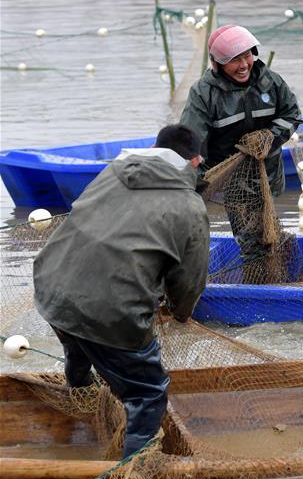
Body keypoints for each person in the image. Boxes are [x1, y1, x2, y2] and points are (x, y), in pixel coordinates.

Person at [33, 124, 210, 458]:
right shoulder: (190, 206)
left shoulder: (114, 170)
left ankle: (81, 391)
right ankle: (133, 469)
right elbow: (189, 282)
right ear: (196, 161)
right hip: (110, 310)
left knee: (79, 341)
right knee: (148, 393)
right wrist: (181, 313)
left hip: (51, 286)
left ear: (155, 148)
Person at [179, 24, 302, 262]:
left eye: (247, 55)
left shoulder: (271, 82)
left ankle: (273, 258)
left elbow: (291, 115)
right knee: (252, 244)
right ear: (217, 63)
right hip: (231, 180)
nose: (244, 65)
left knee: (267, 232)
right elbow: (190, 141)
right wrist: (192, 184)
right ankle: (260, 275)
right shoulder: (204, 93)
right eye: (235, 59)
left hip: (268, 173)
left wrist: (270, 136)